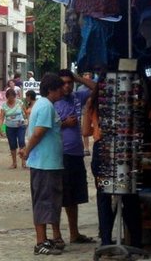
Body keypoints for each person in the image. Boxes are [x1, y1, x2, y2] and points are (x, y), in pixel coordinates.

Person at [83, 85, 142, 248]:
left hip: (102, 151)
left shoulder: (93, 102)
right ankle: (136, 242)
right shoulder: (125, 100)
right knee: (129, 195)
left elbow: (85, 130)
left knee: (104, 197)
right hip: (122, 150)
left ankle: (106, 241)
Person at [18, 73, 65, 256]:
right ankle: (40, 242)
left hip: (48, 162)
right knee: (43, 202)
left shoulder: (44, 105)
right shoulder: (45, 106)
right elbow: (38, 132)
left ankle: (46, 239)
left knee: (49, 202)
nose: (62, 91)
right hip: (45, 163)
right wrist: (27, 151)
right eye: (60, 88)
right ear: (52, 89)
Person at [54, 69, 96, 245]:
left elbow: (97, 88)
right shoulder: (53, 102)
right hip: (60, 154)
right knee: (59, 196)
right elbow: (44, 127)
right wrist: (65, 124)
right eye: (63, 82)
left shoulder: (77, 97)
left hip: (76, 153)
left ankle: (74, 233)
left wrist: (78, 77)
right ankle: (56, 236)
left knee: (74, 197)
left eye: (69, 82)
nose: (67, 86)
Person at [0, 88, 27, 169]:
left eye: (12, 97)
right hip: (10, 127)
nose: (11, 99)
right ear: (7, 97)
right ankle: (14, 163)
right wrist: (1, 129)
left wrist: (28, 121)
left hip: (21, 126)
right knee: (12, 144)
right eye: (9, 97)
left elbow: (25, 112)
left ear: (15, 96)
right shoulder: (4, 106)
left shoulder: (19, 102)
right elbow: (1, 118)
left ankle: (23, 162)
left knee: (21, 142)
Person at [77, 72, 94, 156]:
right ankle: (86, 148)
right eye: (84, 74)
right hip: (84, 111)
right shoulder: (80, 89)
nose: (86, 76)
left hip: (95, 112)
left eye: (88, 74)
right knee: (85, 130)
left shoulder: (94, 86)